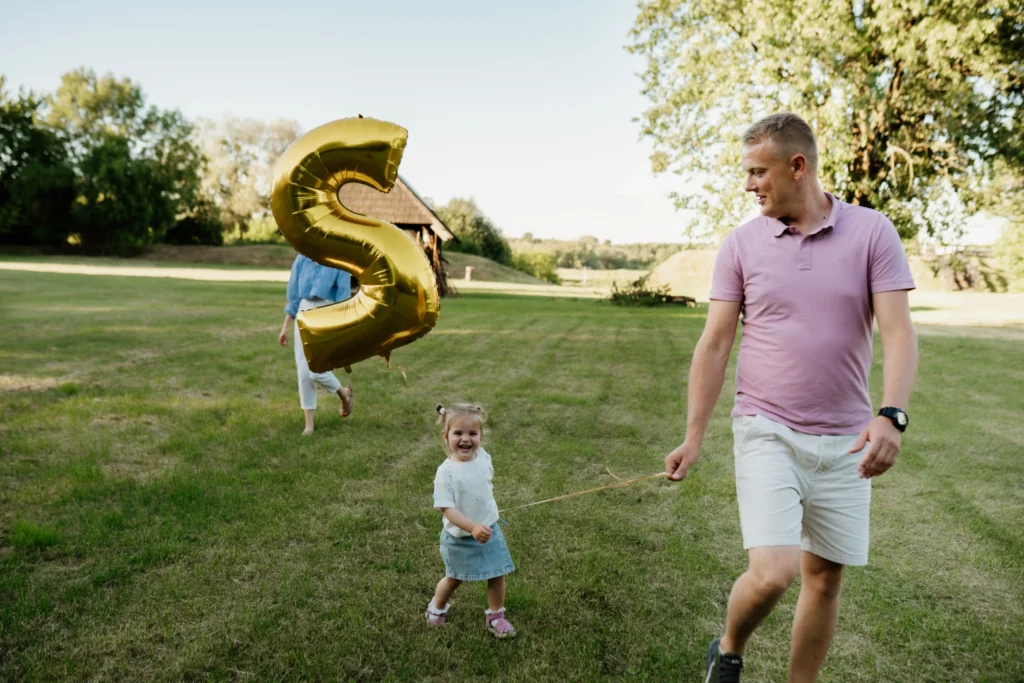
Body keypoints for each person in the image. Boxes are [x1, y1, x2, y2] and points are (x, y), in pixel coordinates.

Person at [664, 112, 918, 682]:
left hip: (846, 436)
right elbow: (715, 344)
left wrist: (891, 416)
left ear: (796, 166)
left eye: (758, 172)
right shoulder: (741, 244)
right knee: (774, 573)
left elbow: (899, 331)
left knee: (825, 578)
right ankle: (729, 649)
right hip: (766, 427)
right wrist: (694, 437)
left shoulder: (873, 232)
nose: (749, 185)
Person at [427, 403, 517, 639]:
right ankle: (437, 607)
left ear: (481, 436)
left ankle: (495, 616)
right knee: (455, 578)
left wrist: (483, 520)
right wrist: (472, 527)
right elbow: (447, 509)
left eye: (472, 434)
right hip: (460, 538)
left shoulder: (483, 457)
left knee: (497, 574)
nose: (465, 439)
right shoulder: (445, 472)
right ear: (446, 436)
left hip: (489, 531)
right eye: (458, 433)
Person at [278, 253, 354, 436]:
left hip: (326, 311)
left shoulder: (337, 259)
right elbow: (294, 297)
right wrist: (285, 327)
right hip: (303, 312)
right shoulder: (301, 259)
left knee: (316, 372)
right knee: (304, 373)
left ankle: (344, 395)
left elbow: (344, 297)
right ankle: (309, 424)